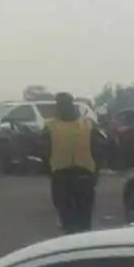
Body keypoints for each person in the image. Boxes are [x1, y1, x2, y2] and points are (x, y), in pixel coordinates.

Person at [44, 91, 98, 234]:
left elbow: (43, 151)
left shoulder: (51, 126)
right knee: (83, 219)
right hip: (82, 175)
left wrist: (48, 170)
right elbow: (100, 149)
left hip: (63, 176)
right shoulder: (88, 124)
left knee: (69, 218)